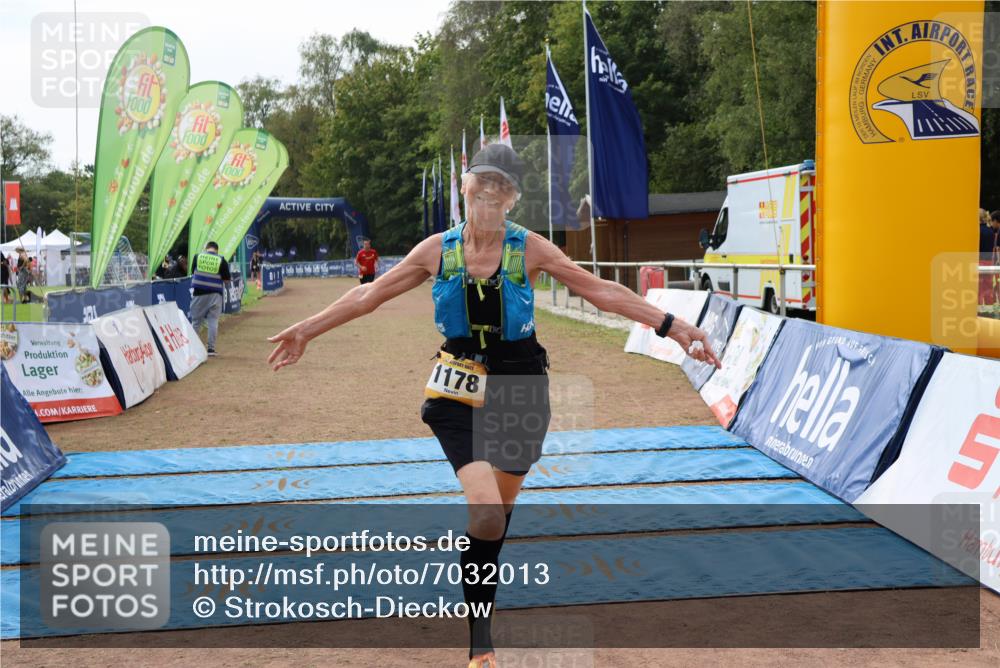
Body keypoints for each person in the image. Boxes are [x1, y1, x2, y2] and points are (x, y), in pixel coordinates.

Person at [267, 144, 719, 668]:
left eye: (499, 185)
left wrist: (674, 325)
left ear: (511, 198)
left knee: (496, 519)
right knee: (484, 513)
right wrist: (306, 329)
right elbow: (367, 296)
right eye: (480, 180)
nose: (487, 191)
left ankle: (483, 599)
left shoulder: (530, 249)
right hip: (456, 389)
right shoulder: (437, 250)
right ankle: (480, 644)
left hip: (520, 387)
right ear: (464, 186)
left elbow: (599, 291)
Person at [190, 242, 231, 356]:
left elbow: (193, 272)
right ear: (217, 250)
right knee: (213, 321)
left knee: (196, 322)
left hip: (199, 293)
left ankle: (193, 348)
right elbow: (227, 280)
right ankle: (211, 349)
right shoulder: (221, 260)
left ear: (206, 249)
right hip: (215, 294)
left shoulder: (197, 257)